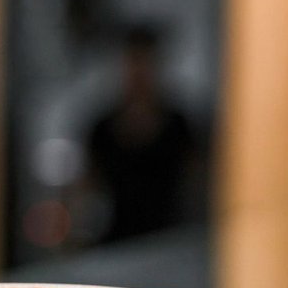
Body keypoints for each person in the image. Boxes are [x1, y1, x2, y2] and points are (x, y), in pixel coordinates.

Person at [85, 23, 201, 242]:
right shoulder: (101, 128)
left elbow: (195, 187)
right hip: (116, 243)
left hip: (170, 241)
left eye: (145, 62)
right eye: (133, 62)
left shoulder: (179, 125)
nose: (139, 73)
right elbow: (85, 196)